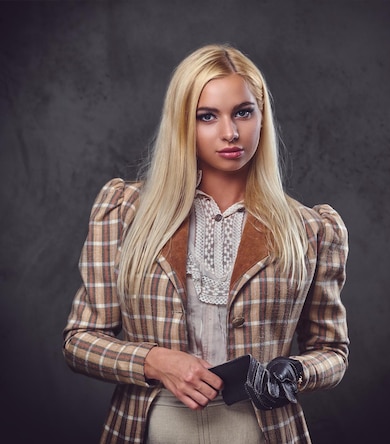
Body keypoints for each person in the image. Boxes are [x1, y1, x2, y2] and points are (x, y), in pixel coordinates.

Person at [62, 44, 349, 444]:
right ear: (184, 123)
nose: (230, 132)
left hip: (260, 427)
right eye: (207, 116)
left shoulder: (310, 229)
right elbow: (79, 341)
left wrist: (295, 371)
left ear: (262, 118)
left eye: (243, 112)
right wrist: (154, 360)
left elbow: (332, 350)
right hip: (154, 422)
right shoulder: (125, 213)